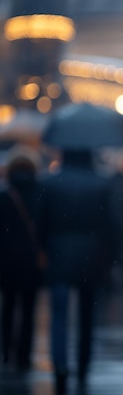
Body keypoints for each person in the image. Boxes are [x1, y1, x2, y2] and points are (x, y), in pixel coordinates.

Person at [36, 149, 116, 395]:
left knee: (59, 315)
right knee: (87, 316)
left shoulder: (49, 183)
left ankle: (60, 365)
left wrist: (43, 249)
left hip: (58, 253)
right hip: (90, 256)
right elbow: (111, 224)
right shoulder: (102, 183)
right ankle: (83, 365)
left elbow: (41, 222)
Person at [0, 145, 45, 371]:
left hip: (6, 260)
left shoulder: (4, 194)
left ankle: (6, 350)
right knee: (29, 308)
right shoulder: (41, 192)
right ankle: (24, 355)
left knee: (7, 306)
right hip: (31, 260)